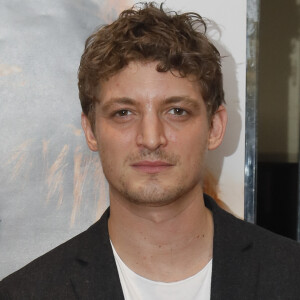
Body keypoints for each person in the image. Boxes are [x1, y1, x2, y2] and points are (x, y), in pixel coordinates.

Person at [1, 2, 300, 299]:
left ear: (215, 127)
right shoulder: (26, 292)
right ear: (91, 131)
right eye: (123, 113)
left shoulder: (290, 276)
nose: (151, 138)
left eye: (176, 111)